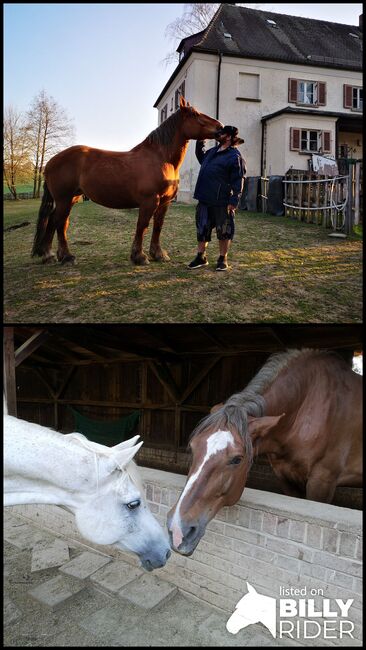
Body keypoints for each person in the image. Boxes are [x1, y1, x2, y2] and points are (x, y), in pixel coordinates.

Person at [188, 125, 246, 271]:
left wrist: (234, 201)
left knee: (224, 230)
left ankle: (222, 258)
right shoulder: (213, 152)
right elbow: (201, 157)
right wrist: (200, 141)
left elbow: (239, 180)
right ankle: (201, 256)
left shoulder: (235, 156)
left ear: (228, 137)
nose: (217, 134)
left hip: (222, 201)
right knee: (202, 228)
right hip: (204, 198)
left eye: (221, 133)